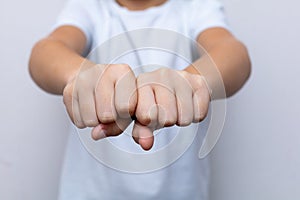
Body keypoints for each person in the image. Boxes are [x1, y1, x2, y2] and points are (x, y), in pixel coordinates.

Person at [29, 0, 251, 199]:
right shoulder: (90, 7)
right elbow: (45, 52)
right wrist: (81, 75)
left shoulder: (196, 7)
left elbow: (232, 53)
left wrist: (192, 80)